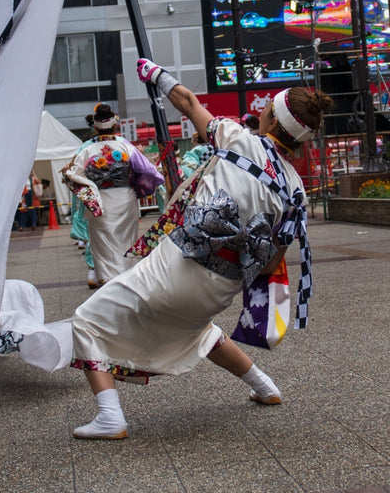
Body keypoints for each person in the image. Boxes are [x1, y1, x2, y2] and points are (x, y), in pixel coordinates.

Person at [69, 62, 330, 440]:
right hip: (221, 289)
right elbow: (273, 259)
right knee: (198, 330)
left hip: (176, 266)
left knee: (85, 320)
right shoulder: (296, 190)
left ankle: (110, 417)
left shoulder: (240, 139)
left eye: (266, 109)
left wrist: (156, 73)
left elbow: (189, 102)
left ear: (272, 118)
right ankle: (264, 386)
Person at [62, 104, 163, 288]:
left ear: (95, 127)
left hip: (99, 199)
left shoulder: (87, 150)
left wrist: (90, 186)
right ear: (115, 125)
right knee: (126, 240)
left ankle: (107, 281)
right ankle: (128, 278)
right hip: (125, 198)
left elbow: (72, 174)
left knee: (102, 242)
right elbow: (149, 170)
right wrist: (139, 185)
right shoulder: (125, 146)